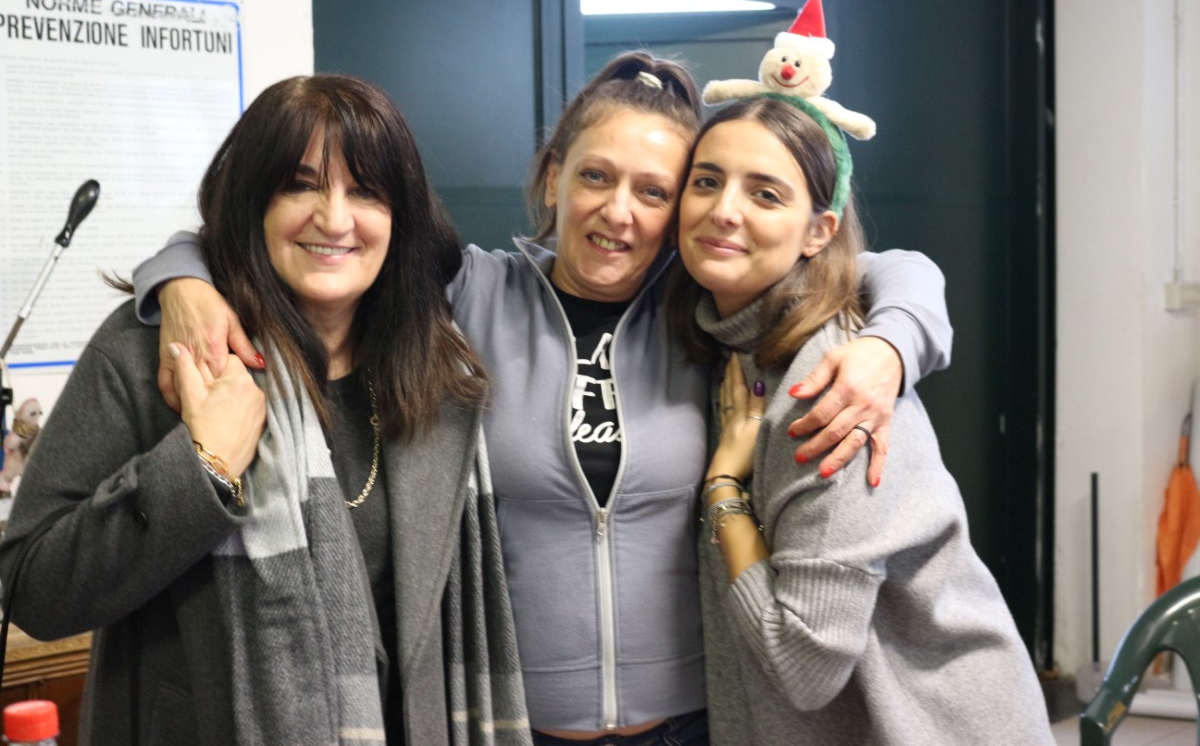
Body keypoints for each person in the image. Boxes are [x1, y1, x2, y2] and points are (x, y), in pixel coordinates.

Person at [130, 54, 953, 743]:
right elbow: (309, 239)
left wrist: (891, 344)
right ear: (555, 176)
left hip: (694, 722)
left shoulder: (705, 310)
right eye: (595, 176)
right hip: (513, 721)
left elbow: (887, 268)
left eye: (654, 191)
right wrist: (179, 281)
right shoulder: (468, 292)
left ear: (678, 209)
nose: (618, 212)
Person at [0, 75, 529, 746]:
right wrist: (201, 468)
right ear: (253, 201)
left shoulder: (436, 365)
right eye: (301, 186)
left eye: (366, 191)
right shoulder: (156, 356)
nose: (334, 219)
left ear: (401, 214)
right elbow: (32, 589)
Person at [672, 93, 1054, 744]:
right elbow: (896, 267)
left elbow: (804, 664)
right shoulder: (726, 335)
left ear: (818, 232)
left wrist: (724, 491)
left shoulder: (827, 385)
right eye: (706, 181)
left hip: (937, 727)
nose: (724, 210)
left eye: (765, 195)